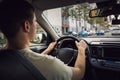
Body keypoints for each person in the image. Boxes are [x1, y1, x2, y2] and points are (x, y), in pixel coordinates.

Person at [0, 0, 87, 80]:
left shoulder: (4, 59)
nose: (36, 24)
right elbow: (79, 73)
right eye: (35, 21)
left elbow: (30, 64)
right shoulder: (50, 65)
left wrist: (48, 50)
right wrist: (82, 50)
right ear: (26, 26)